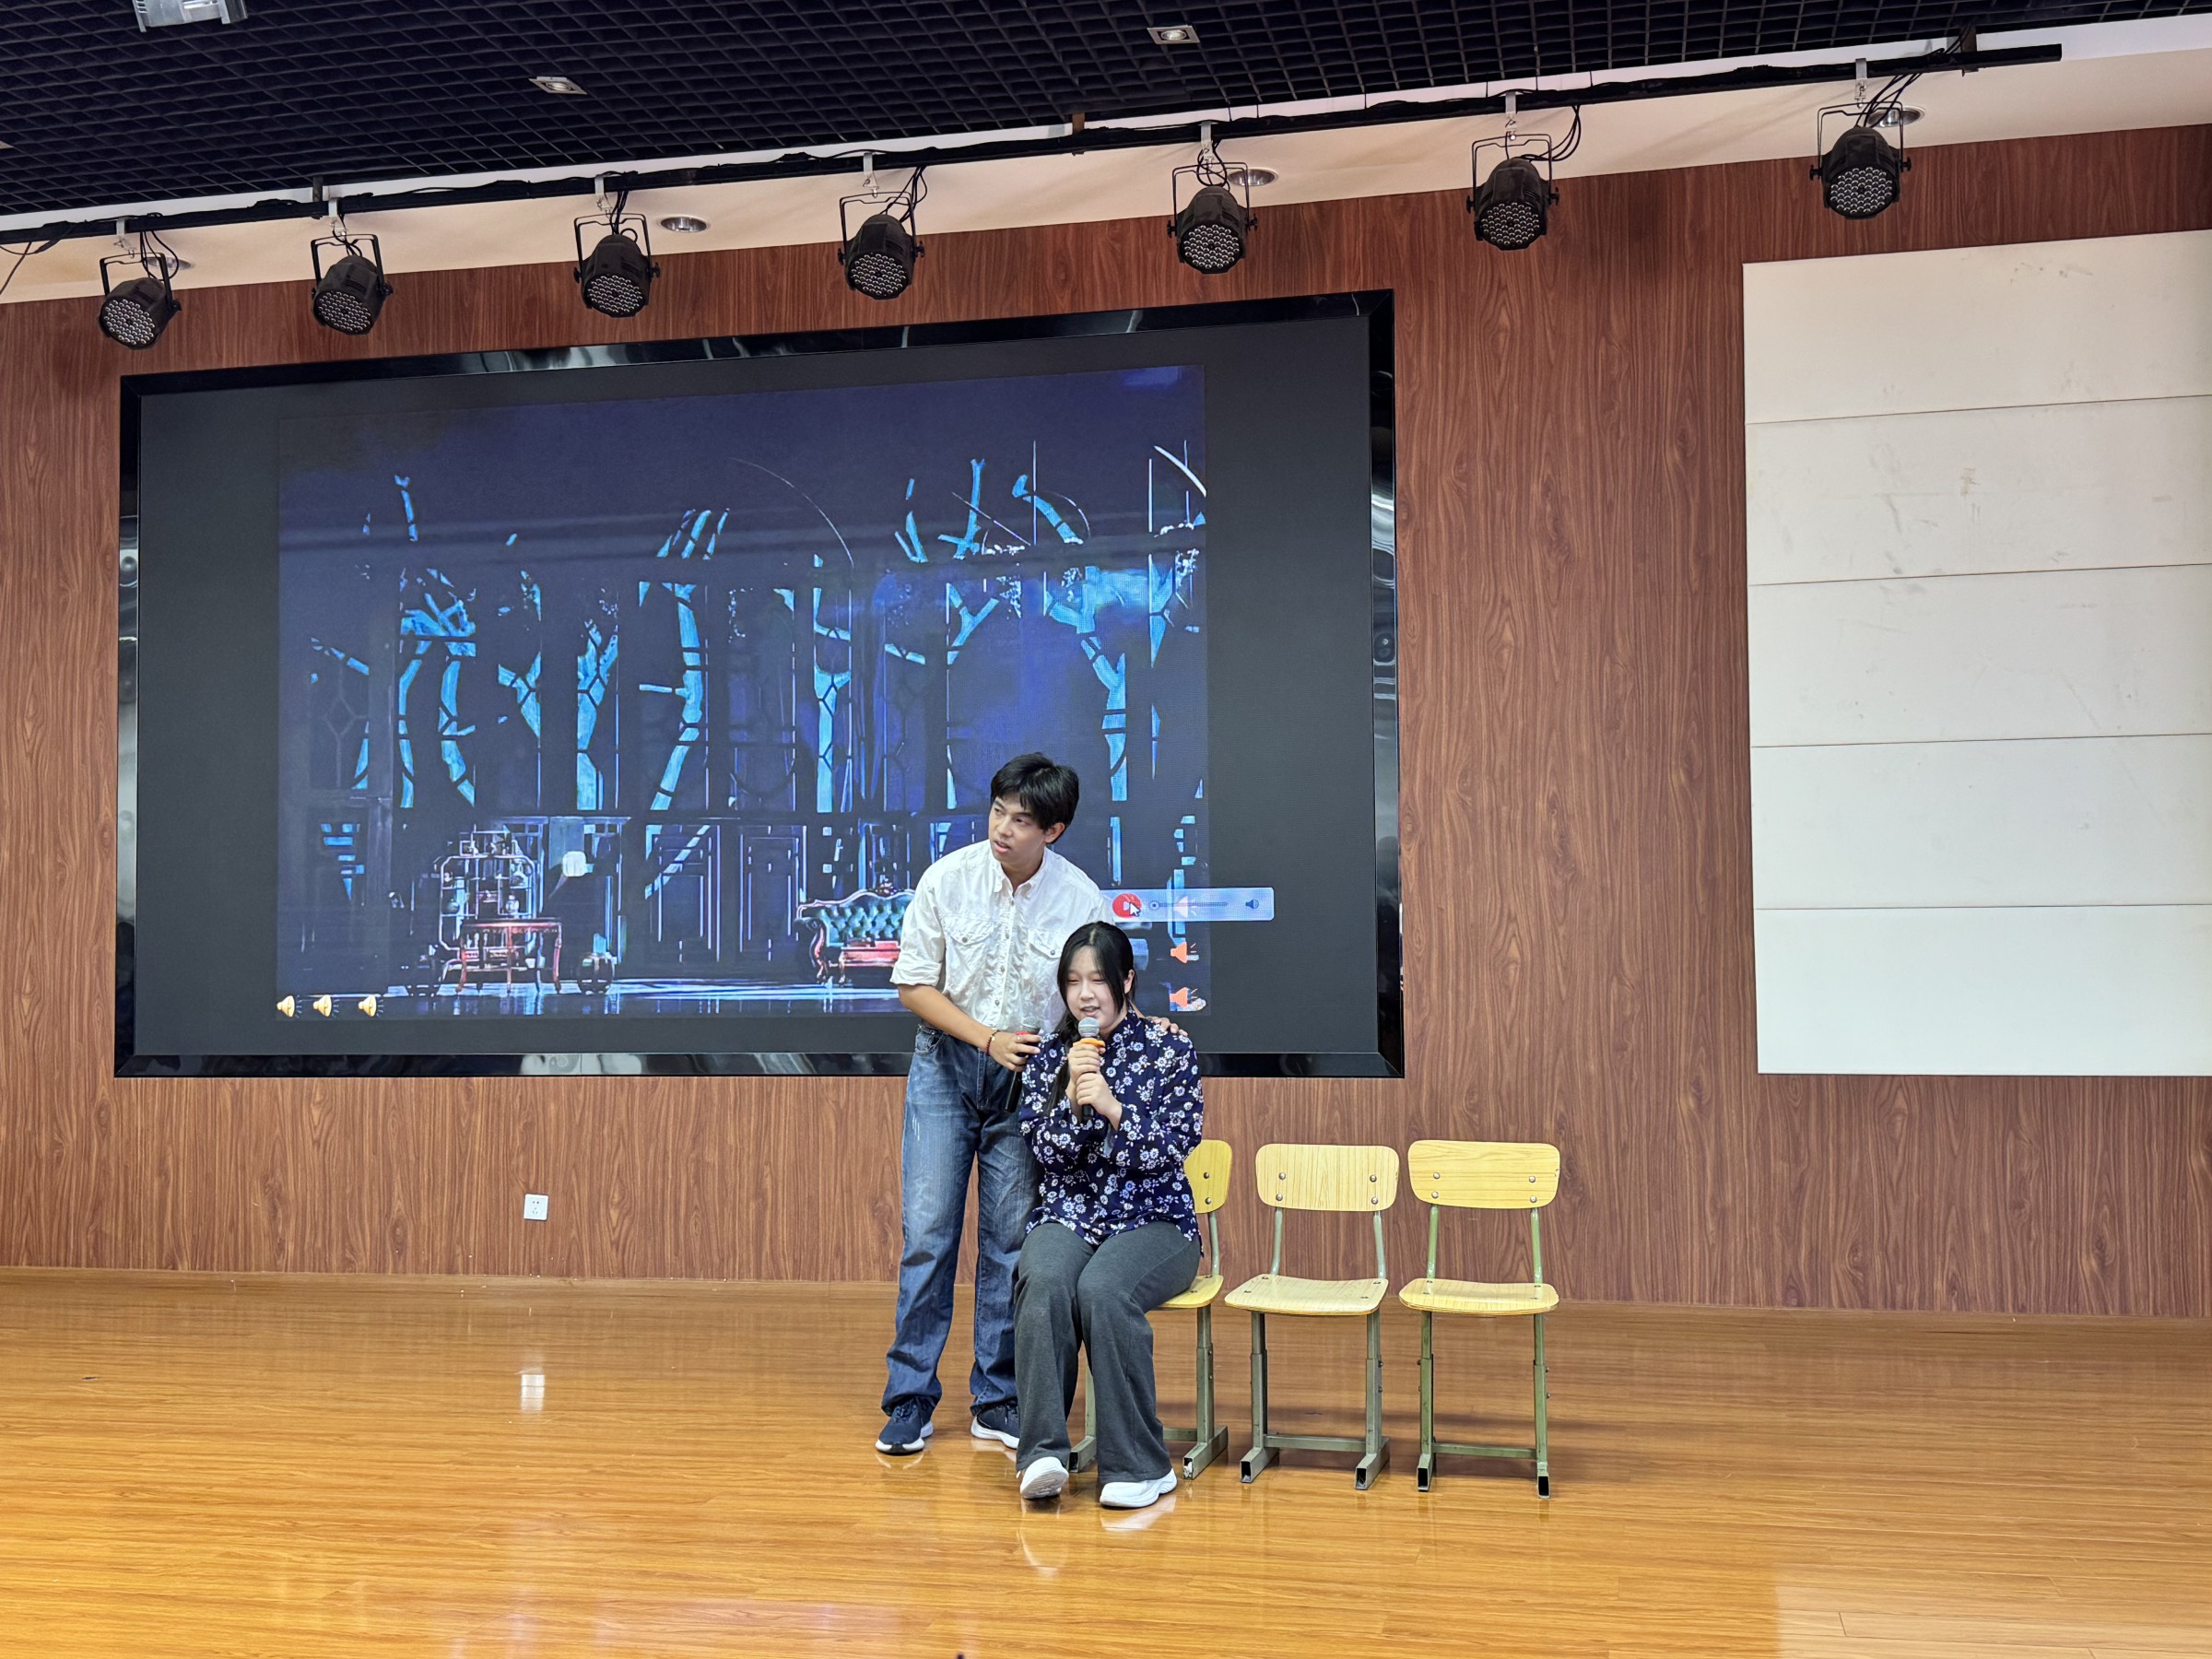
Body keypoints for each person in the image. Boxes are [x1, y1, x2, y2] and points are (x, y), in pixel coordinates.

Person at [877, 754, 1110, 1456]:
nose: (1003, 829)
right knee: (928, 1235)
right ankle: (909, 1399)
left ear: (1054, 830)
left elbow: (1092, 1002)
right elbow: (913, 985)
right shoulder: (947, 879)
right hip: (947, 1067)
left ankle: (998, 1397)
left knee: (1009, 1244)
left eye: (1021, 820)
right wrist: (985, 1039)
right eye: (998, 811)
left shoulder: (1080, 900)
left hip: (1029, 1079)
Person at [1010, 921, 1204, 1512]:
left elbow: (1175, 1148)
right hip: (1071, 1213)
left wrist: (1115, 1109)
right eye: (1073, 982)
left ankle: (1141, 1465)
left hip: (1155, 1220)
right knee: (1043, 1278)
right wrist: (1072, 1103)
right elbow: (1044, 1152)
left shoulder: (1170, 1048)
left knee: (1103, 1288)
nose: (1085, 995)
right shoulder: (1051, 1057)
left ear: (1127, 980)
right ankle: (1042, 1455)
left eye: (1097, 980)